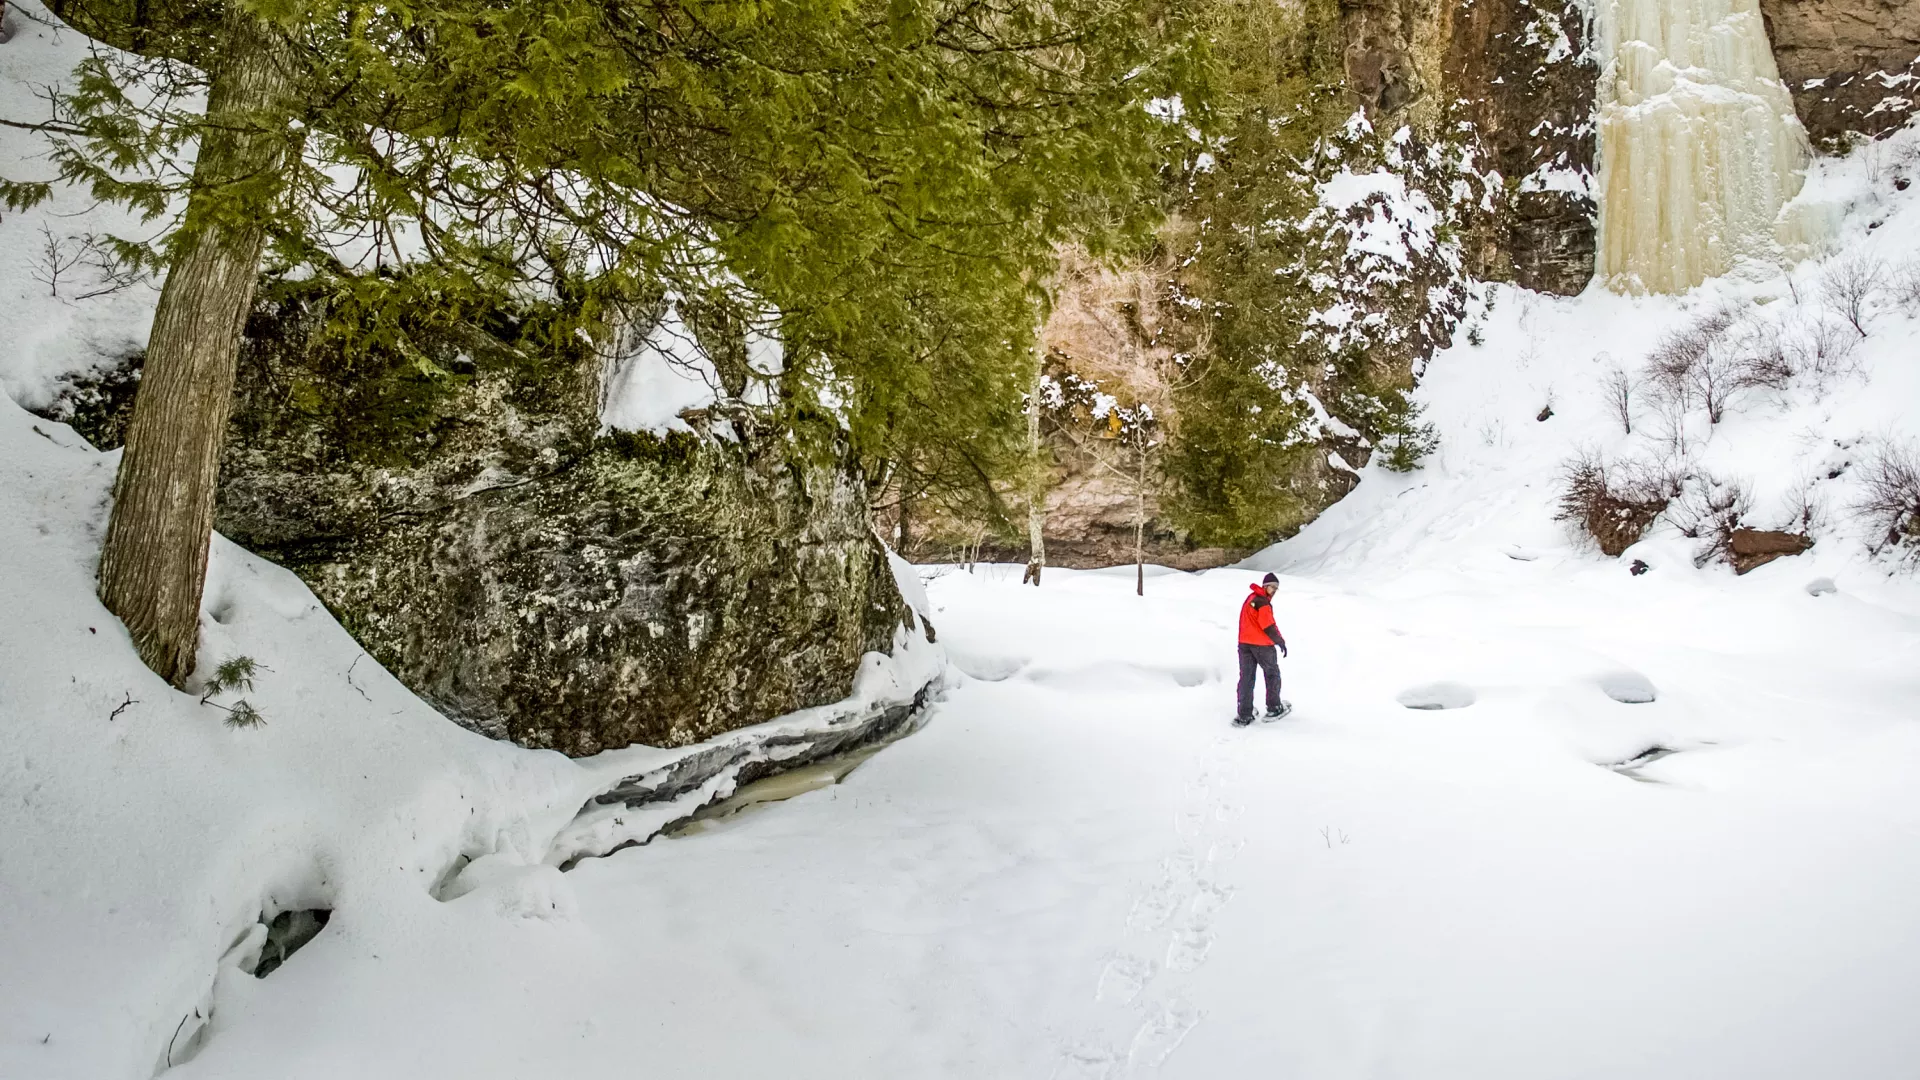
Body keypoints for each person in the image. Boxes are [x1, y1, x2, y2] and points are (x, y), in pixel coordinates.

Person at [1234, 572, 1289, 726]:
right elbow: (1268, 625)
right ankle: (1274, 707)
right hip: (1262, 646)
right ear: (1265, 586)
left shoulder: (1251, 598)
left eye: (1276, 588)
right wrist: (1280, 641)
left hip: (1244, 644)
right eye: (1273, 587)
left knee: (1247, 677)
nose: (1274, 591)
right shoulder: (1262, 602)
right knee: (1272, 674)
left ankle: (1244, 713)